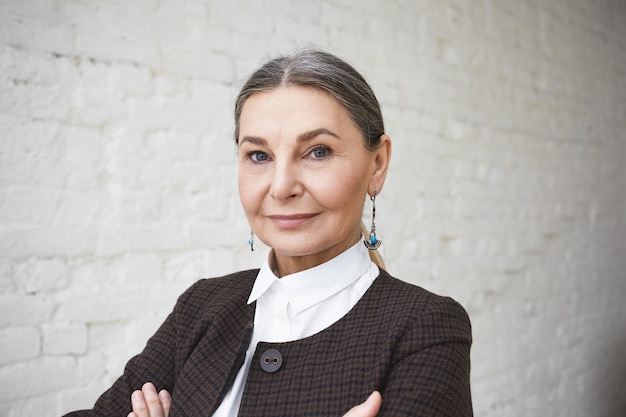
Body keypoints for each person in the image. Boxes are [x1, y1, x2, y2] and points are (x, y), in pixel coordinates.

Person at [64, 49, 472, 417]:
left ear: (377, 163)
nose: (281, 186)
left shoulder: (426, 329)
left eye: (318, 152)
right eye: (258, 156)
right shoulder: (202, 306)